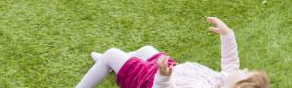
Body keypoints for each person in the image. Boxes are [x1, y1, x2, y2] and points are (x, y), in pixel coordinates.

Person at [75, 16, 269, 88]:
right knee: (146, 50)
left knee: (111, 53)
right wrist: (227, 34)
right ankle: (113, 64)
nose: (242, 68)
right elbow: (230, 61)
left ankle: (109, 63)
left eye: (245, 72)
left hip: (151, 82)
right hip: (169, 71)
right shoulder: (226, 78)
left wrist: (162, 77)